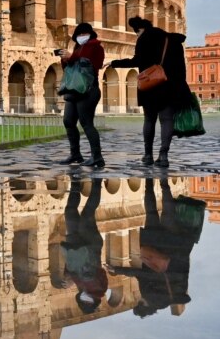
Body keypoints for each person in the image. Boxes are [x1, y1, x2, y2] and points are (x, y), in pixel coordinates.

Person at [110, 178, 203, 318]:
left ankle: (164, 182)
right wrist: (117, 270)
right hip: (156, 246)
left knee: (168, 212)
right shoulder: (151, 297)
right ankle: (148, 182)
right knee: (151, 212)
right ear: (142, 305)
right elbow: (142, 274)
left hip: (175, 247)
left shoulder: (170, 298)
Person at [110, 17, 192, 167]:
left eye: (136, 34)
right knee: (167, 120)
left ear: (139, 30)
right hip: (170, 86)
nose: (136, 36)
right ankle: (164, 155)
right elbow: (181, 68)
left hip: (151, 86)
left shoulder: (144, 39)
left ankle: (148, 155)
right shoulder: (173, 41)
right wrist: (180, 87)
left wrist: (114, 63)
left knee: (149, 120)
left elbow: (136, 61)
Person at [58, 22, 105, 166]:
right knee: (68, 121)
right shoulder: (78, 47)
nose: (81, 37)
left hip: (88, 90)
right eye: (78, 34)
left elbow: (91, 64)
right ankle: (75, 154)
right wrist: (65, 59)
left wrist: (72, 57)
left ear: (90, 34)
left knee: (86, 123)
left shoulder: (96, 47)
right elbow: (70, 68)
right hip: (74, 90)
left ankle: (97, 157)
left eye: (84, 34)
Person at [62, 177, 107, 314]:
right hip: (90, 245)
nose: (86, 299)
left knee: (70, 211)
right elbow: (95, 272)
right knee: (87, 212)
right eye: (89, 302)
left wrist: (68, 276)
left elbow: (72, 265)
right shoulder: (99, 289)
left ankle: (75, 182)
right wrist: (74, 278)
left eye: (84, 302)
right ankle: (97, 181)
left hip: (75, 245)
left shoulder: (81, 287)